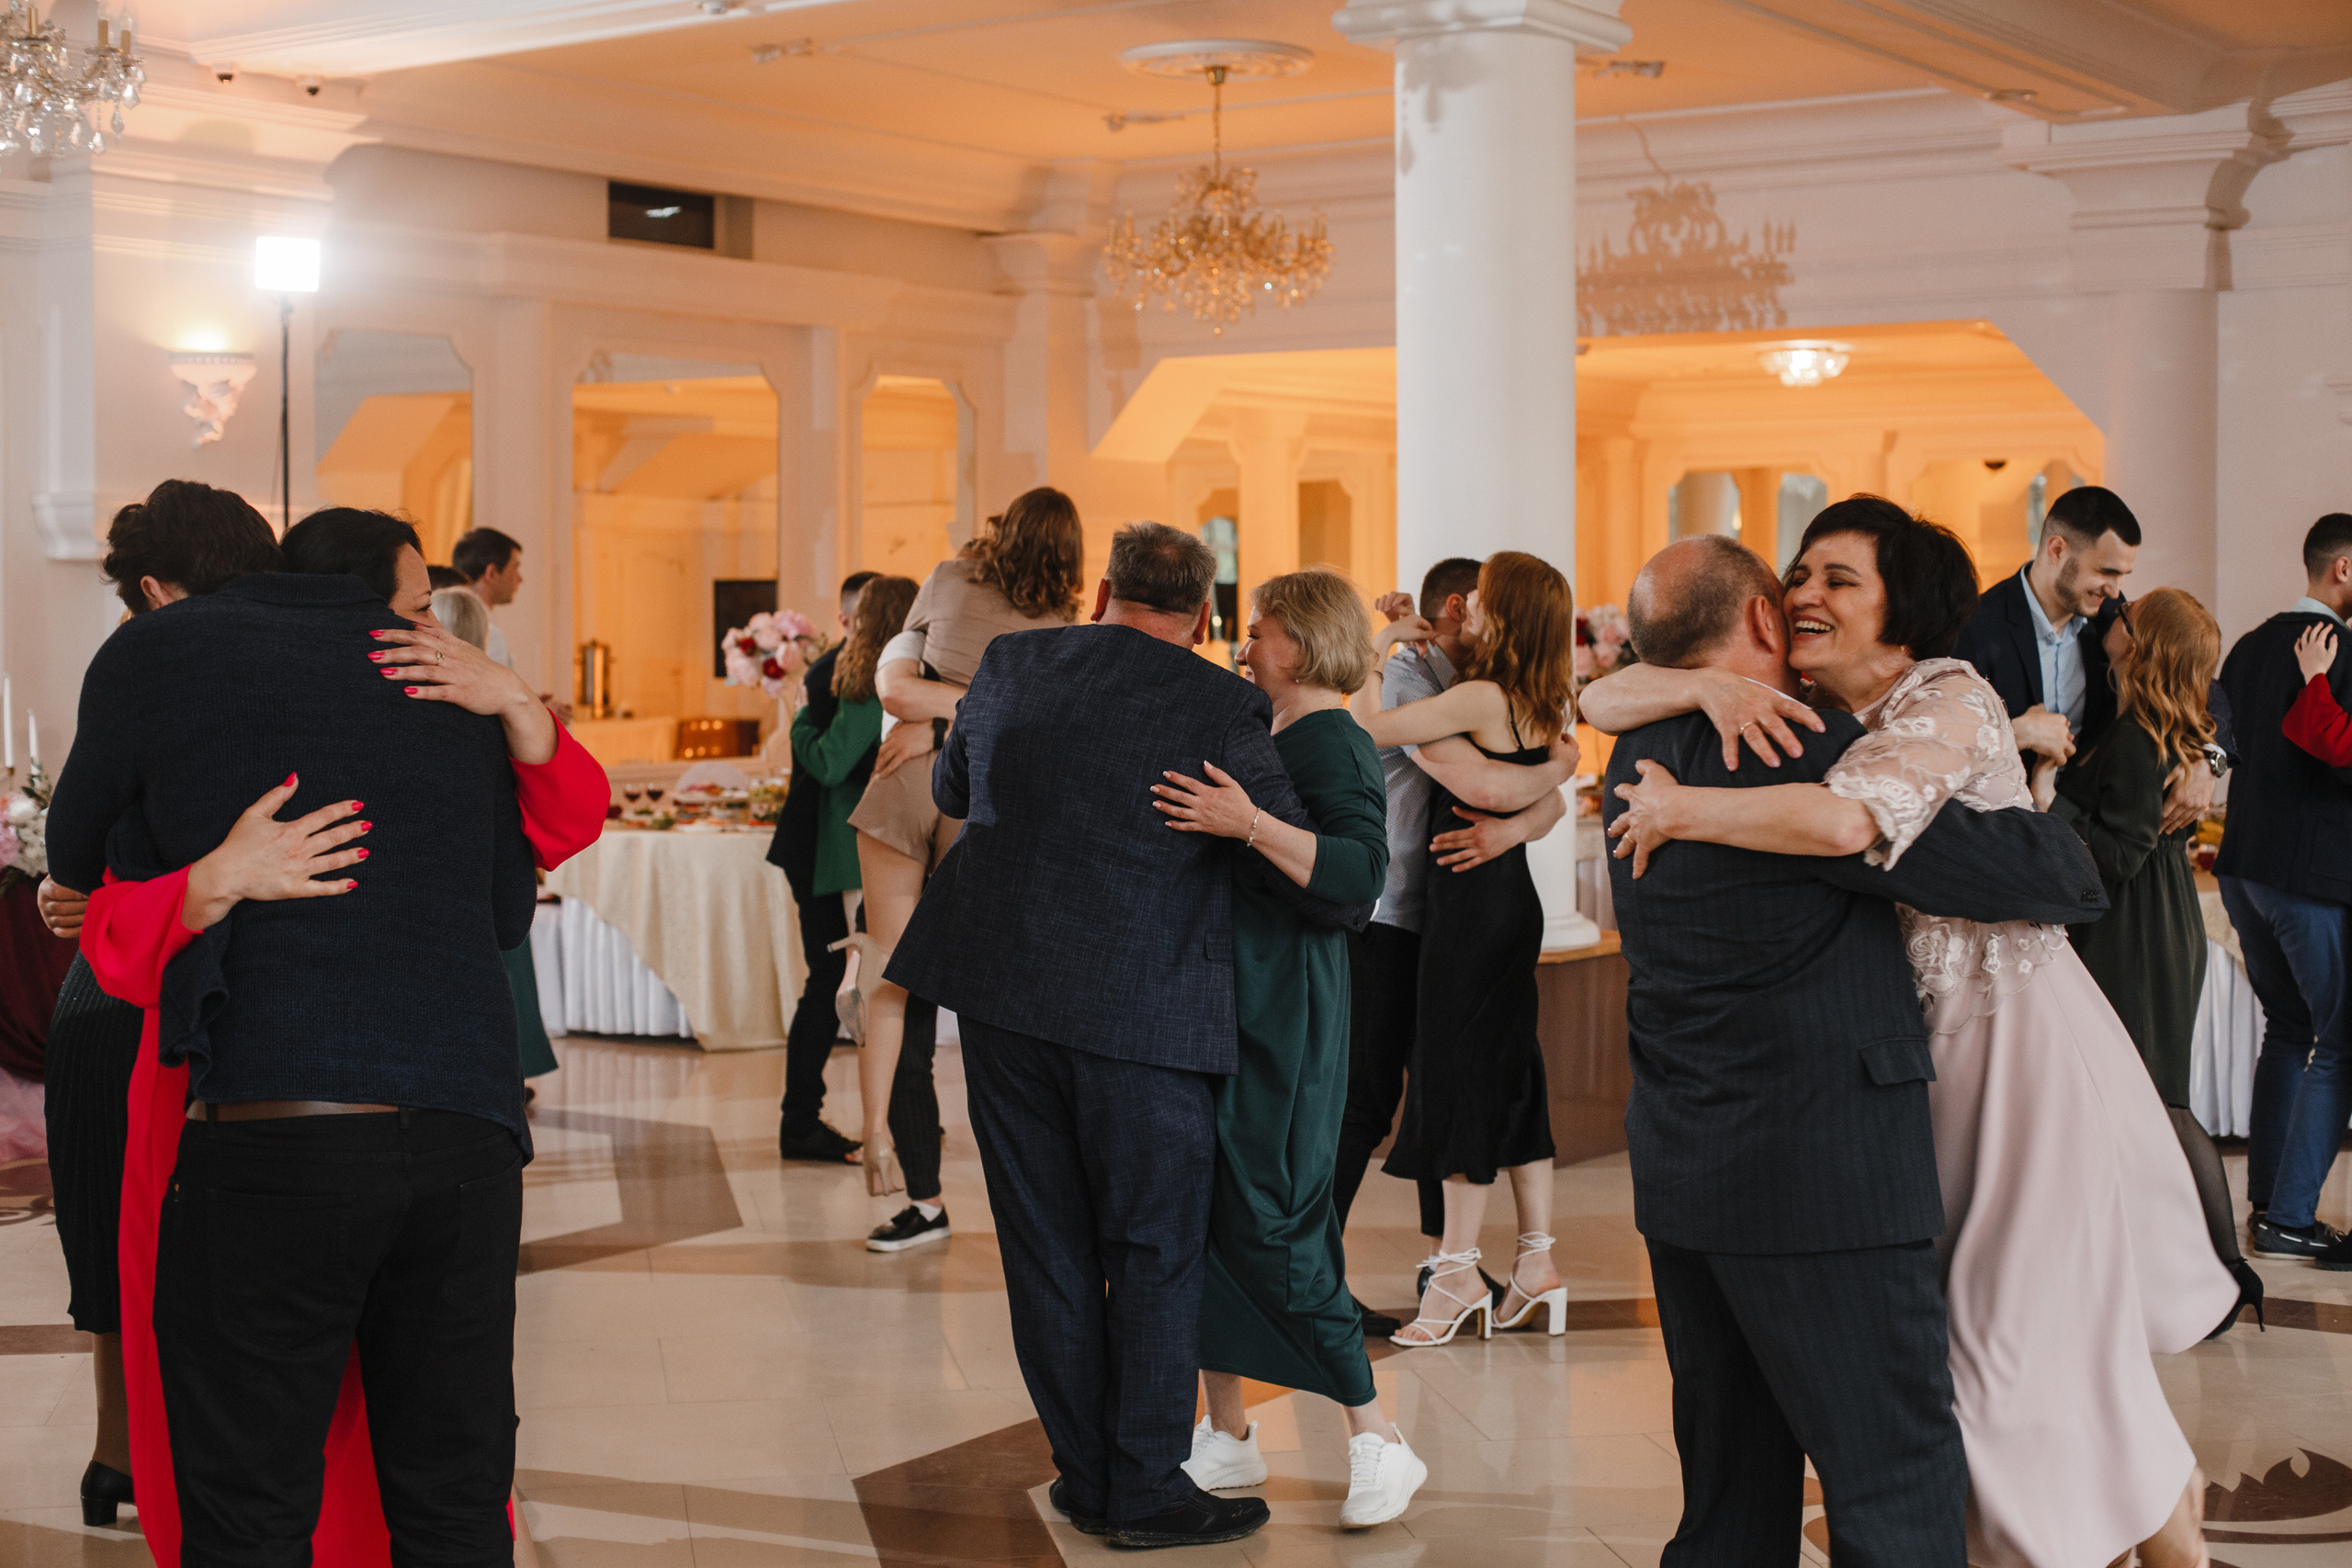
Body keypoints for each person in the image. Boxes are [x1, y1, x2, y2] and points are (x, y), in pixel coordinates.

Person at [1590, 498, 2235, 1568]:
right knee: (2006, 1376)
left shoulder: (1933, 700)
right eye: (1797, 578)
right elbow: (1615, 688)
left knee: (2018, 1368)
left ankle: (2156, 1545)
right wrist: (1705, 680)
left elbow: (1853, 824)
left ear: (1904, 607)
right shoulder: (1784, 721)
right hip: (1899, 1087)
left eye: (1837, 580)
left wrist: (1681, 807)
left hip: (2008, 1060)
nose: (1804, 596)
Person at [46, 504, 606, 1566]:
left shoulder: (159, 660)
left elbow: (79, 865)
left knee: (249, 1505)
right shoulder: (436, 673)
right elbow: (504, 910)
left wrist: (204, 880)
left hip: (274, 1122)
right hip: (466, 1133)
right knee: (453, 1494)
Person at [886, 522, 1363, 1548]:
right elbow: (1304, 875)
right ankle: (1144, 1490)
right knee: (1152, 1250)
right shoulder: (1223, 705)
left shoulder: (1012, 660)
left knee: (1044, 1248)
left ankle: (1088, 1476)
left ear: (1102, 589)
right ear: (1203, 616)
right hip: (1147, 1017)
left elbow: (954, 791)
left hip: (1003, 1002)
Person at [1148, 568, 1425, 1529]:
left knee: (1273, 1222)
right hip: (1235, 1004)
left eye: (1258, 630)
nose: (1243, 643)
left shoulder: (1332, 739)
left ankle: (1378, 1437)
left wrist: (1248, 823)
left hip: (1288, 1016)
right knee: (1212, 1217)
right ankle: (1225, 1438)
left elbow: (1356, 875)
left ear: (1297, 647)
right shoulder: (1271, 732)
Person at [35, 479, 285, 1528]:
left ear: (149, 588)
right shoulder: (297, 663)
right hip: (260, 985)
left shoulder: (141, 657)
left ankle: (118, 1455)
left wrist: (96, 889)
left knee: (113, 1224)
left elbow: (71, 849)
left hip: (132, 977)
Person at [1334, 557, 1577, 1334]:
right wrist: (1525, 803)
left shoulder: (1473, 695)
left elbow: (1366, 728)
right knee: (1510, 1070)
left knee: (1456, 1078)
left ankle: (1453, 1275)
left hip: (1463, 909)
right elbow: (1532, 781)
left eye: (1479, 601)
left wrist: (1375, 649)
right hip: (1494, 903)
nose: (1466, 610)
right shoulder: (1545, 698)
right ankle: (1531, 1258)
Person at [842, 488, 1083, 1251]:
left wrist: (939, 714)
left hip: (898, 784)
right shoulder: (1063, 628)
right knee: (990, 995)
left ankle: (883, 1139)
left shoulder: (947, 579)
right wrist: (971, 717)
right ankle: (1037, 1186)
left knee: (886, 970)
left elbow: (893, 682)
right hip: (978, 797)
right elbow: (1043, 725)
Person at [2054, 587, 2267, 1322]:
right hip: (2150, 914)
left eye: (2129, 616)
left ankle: (2225, 1276)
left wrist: (2047, 806)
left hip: (2135, 926)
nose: (2115, 612)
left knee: (2160, 1100)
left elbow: (2119, 850)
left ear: (2141, 649)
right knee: (2144, 1099)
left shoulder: (2142, 733)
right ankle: (2183, 1272)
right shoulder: (2140, 718)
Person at [2213, 511, 2352, 1265]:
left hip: (2243, 869)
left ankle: (2268, 1198)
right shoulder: (2344, 651)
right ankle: (2293, 1217)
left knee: (2289, 1028)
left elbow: (2219, 738)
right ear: (2343, 570)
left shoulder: (2248, 643)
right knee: (2340, 1043)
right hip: (2314, 879)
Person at [767, 569, 880, 1164]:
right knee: (826, 982)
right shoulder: (839, 672)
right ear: (844, 619)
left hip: (835, 845)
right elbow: (834, 765)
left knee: (843, 980)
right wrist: (803, 721)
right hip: (818, 847)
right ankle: (800, 1122)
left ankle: (814, 1118)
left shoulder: (864, 669)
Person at [433, 582, 561, 1086]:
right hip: (498, 859)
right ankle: (511, 1067)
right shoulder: (503, 705)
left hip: (453, 864)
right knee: (506, 963)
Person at [452, 525, 525, 670]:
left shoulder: (447, 620)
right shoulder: (488, 634)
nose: (520, 579)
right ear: (491, 573)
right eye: (515, 568)